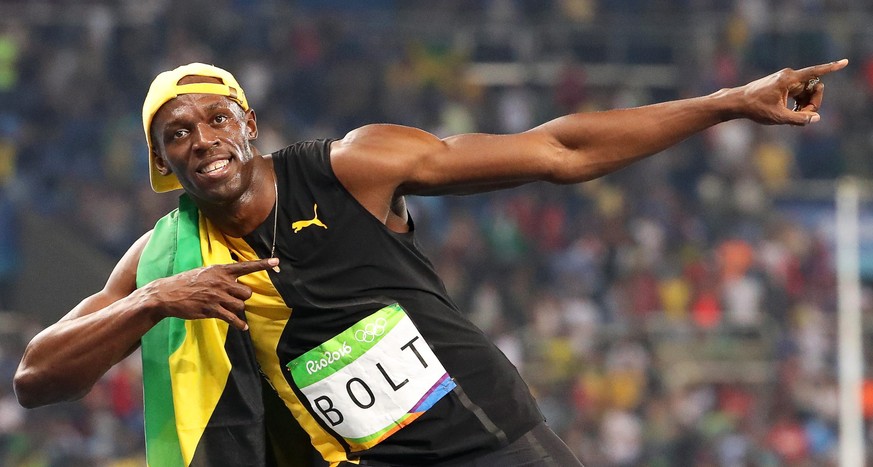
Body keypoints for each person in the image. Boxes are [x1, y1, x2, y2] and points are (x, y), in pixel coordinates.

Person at [13, 59, 848, 467]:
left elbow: (556, 150)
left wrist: (728, 103)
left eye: (213, 118)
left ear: (249, 122)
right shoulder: (165, 258)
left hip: (488, 440)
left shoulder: (351, 165)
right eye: (177, 134)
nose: (201, 140)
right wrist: (156, 300)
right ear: (165, 161)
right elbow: (36, 376)